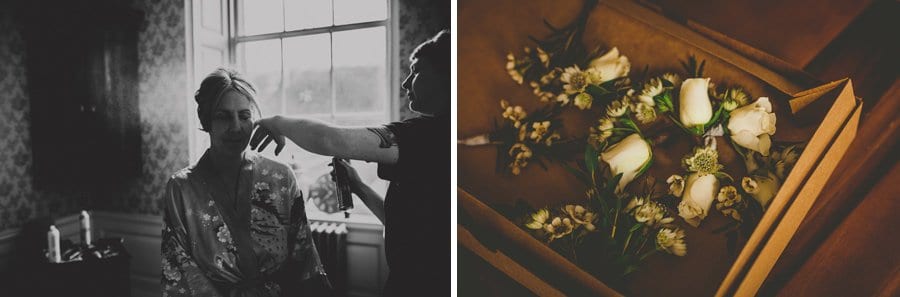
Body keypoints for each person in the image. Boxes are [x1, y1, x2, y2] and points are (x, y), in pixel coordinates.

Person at [249, 30, 450, 296]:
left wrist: (277, 122)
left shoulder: (429, 135)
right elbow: (404, 225)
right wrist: (358, 186)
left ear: (446, 74)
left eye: (416, 71)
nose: (405, 83)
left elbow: (332, 140)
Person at [161, 68, 331, 297]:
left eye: (244, 116)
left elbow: (304, 258)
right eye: (223, 116)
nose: (236, 127)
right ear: (206, 120)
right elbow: (179, 270)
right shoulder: (181, 188)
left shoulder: (280, 177)